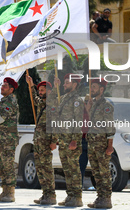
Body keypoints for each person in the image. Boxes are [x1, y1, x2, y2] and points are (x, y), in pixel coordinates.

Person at [49, 73, 84, 207]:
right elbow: (51, 104)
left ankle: (77, 197)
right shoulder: (63, 99)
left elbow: (78, 121)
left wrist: (74, 140)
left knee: (74, 170)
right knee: (67, 170)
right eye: (63, 83)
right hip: (63, 140)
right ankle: (70, 196)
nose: (64, 85)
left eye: (66, 83)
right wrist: (55, 87)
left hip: (71, 141)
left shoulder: (77, 100)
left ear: (74, 85)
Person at [26, 77, 58, 205]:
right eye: (39, 90)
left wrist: (54, 141)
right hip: (39, 141)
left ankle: (51, 195)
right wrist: (31, 86)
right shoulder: (42, 104)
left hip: (46, 141)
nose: (40, 92)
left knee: (47, 169)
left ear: (49, 91)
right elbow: (34, 99)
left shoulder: (53, 104)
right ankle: (45, 194)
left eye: (43, 90)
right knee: (40, 169)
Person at [86, 79, 115, 209]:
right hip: (92, 143)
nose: (91, 89)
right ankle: (100, 197)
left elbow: (110, 126)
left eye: (94, 87)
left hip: (102, 143)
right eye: (91, 87)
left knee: (104, 172)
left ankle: (107, 199)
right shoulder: (93, 104)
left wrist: (110, 145)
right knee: (96, 172)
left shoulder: (106, 105)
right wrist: (88, 107)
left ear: (101, 89)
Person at [79, 94, 90, 189]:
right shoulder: (82, 112)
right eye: (85, 102)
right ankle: (79, 187)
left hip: (93, 141)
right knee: (80, 166)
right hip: (82, 140)